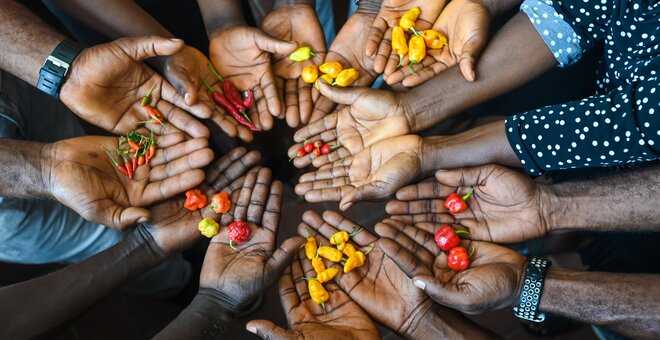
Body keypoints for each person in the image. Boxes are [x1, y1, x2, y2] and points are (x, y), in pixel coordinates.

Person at [292, 0, 659, 209]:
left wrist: (432, 152)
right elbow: (583, 9)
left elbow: (634, 122)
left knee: (627, 237)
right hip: (613, 75)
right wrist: (410, 109)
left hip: (642, 165)